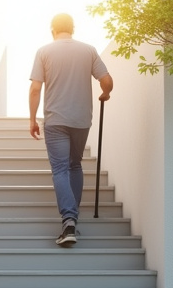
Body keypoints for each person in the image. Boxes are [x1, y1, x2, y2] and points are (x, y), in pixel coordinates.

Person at [29, 13, 113, 247]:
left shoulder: (44, 52)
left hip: (56, 120)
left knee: (60, 169)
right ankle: (73, 218)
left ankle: (68, 221)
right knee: (75, 165)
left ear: (52, 30)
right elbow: (107, 81)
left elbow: (35, 89)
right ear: (72, 29)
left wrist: (32, 119)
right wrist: (105, 94)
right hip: (81, 120)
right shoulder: (88, 50)